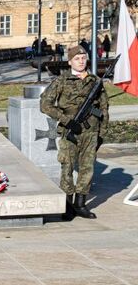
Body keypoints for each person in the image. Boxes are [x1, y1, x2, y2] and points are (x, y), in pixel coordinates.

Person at [40, 44, 109, 220]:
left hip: (91, 132)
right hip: (70, 130)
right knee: (67, 167)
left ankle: (80, 204)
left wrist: (102, 133)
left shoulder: (95, 81)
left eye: (83, 58)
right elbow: (45, 105)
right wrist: (66, 120)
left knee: (87, 168)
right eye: (77, 59)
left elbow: (104, 108)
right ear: (70, 61)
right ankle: (67, 206)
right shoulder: (62, 81)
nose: (81, 61)